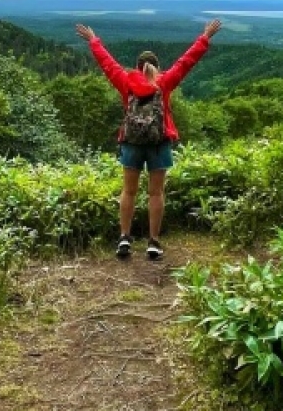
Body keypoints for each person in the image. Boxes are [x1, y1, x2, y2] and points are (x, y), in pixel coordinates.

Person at [75, 18, 222, 260]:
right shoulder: (163, 83)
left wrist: (94, 41)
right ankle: (153, 242)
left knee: (129, 192)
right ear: (157, 67)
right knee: (156, 193)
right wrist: (204, 37)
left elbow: (108, 64)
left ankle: (124, 237)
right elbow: (186, 62)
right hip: (158, 142)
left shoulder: (126, 82)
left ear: (137, 66)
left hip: (132, 143)